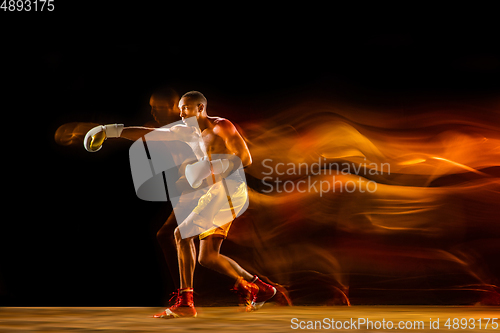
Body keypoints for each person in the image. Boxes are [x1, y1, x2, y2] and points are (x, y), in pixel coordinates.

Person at [84, 91, 278, 318]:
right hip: (215, 192)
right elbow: (150, 134)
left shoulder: (222, 127)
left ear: (200, 108)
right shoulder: (184, 131)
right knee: (207, 257)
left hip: (230, 190)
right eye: (180, 108)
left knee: (181, 234)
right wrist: (110, 130)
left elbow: (246, 159)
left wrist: (213, 170)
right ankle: (263, 289)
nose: (181, 113)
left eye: (186, 108)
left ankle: (186, 303)